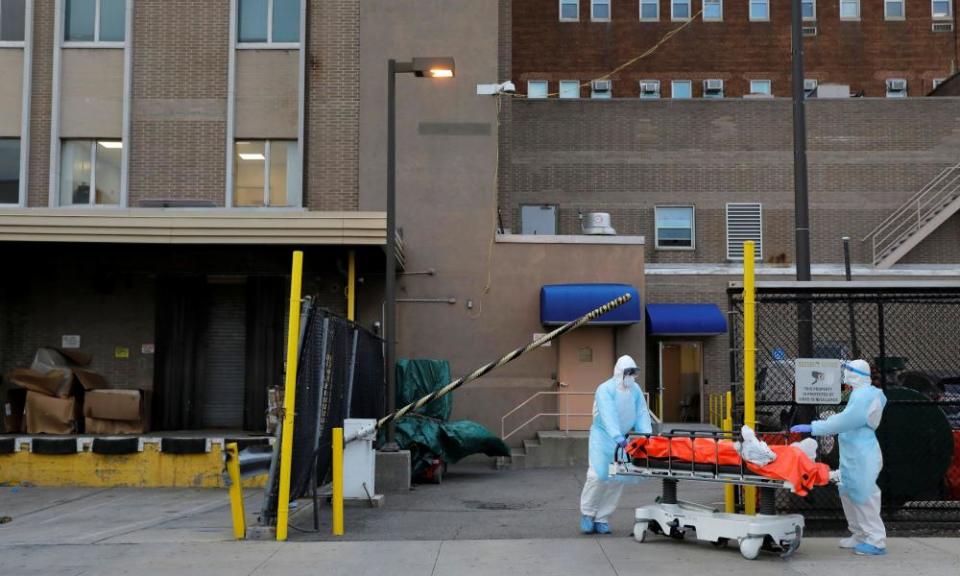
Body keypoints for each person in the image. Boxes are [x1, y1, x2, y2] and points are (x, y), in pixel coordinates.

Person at [791, 359, 888, 556]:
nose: (844, 374)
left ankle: (876, 540)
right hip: (854, 453)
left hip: (862, 455)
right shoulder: (861, 394)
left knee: (863, 496)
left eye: (847, 370)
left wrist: (814, 427)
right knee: (847, 492)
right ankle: (860, 534)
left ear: (855, 374)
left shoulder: (863, 396)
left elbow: (846, 420)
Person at [580, 355, 653, 535]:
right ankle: (587, 513)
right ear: (620, 372)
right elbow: (608, 414)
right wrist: (616, 435)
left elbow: (642, 412)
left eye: (633, 373)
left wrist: (646, 435)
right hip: (603, 436)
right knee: (597, 475)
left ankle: (602, 517)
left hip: (622, 440)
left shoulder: (635, 390)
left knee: (617, 478)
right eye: (628, 373)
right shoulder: (605, 389)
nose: (631, 377)